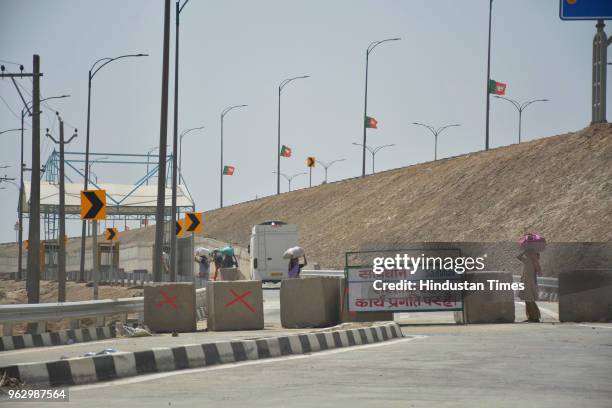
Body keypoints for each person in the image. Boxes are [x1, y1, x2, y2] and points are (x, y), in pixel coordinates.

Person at [517, 249, 541, 322]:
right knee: (527, 300)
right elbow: (518, 257)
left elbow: (539, 272)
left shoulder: (535, 263)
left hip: (530, 282)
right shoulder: (527, 260)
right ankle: (530, 317)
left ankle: (535, 317)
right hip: (525, 281)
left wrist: (535, 261)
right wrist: (525, 251)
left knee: (530, 299)